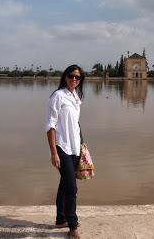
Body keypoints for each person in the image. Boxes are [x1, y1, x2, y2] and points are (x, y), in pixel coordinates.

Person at [46, 64, 85, 238]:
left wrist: (83, 145)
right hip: (62, 147)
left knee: (64, 185)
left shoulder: (75, 96)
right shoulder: (58, 96)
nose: (74, 79)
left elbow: (75, 125)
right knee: (72, 188)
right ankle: (73, 225)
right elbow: (50, 125)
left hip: (75, 147)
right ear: (65, 77)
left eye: (78, 77)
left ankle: (60, 219)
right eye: (71, 76)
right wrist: (53, 152)